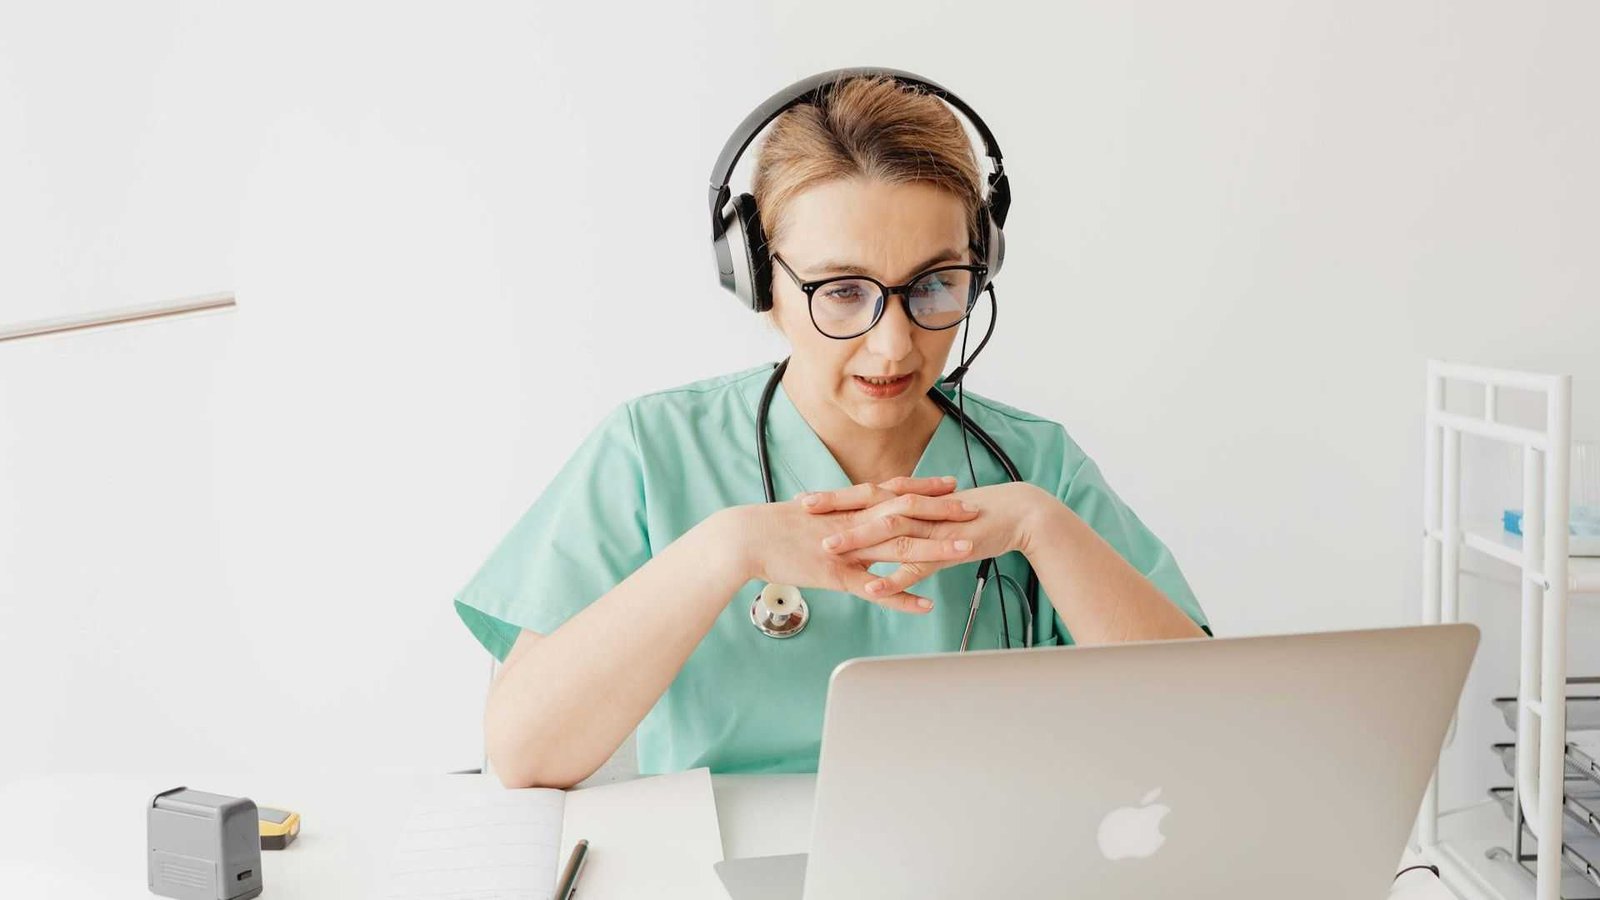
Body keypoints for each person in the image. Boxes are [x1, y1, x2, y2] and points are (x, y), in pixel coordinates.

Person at [452, 72, 1212, 790]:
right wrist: (726, 550)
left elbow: (1205, 732)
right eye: (843, 291)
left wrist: (1042, 528)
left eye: (935, 284)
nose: (894, 345)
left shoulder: (1035, 465)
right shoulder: (652, 451)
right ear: (759, 280)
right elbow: (525, 755)